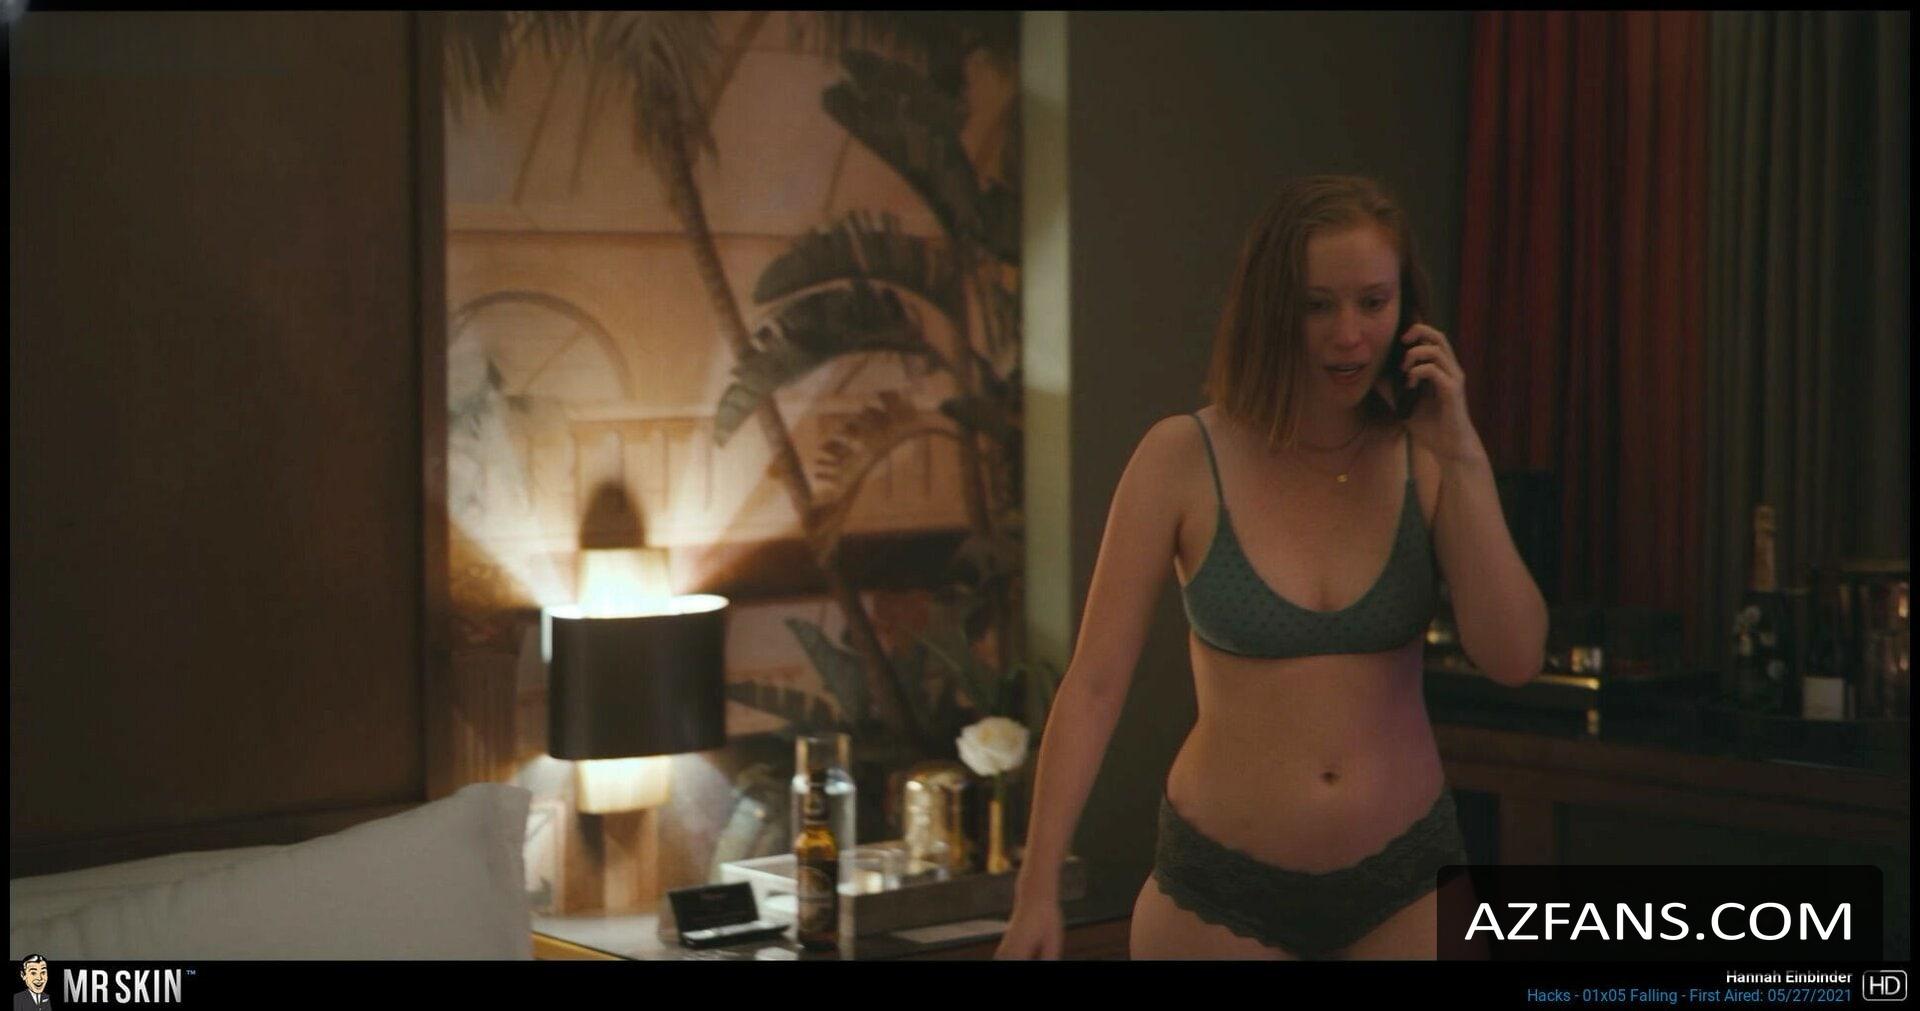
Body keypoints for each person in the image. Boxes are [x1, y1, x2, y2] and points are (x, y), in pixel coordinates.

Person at [996, 175, 1547, 960]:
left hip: (1407, 880)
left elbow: (1515, 657)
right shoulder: (1181, 458)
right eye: (1318, 305)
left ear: (1407, 309)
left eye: (1373, 302)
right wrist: (1036, 889)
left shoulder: (1428, 457)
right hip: (1220, 894)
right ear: (1272, 308)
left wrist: (1463, 454)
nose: (1349, 334)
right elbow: (1093, 684)